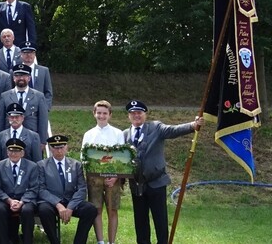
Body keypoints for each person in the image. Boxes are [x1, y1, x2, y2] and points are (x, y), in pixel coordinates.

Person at [123, 100, 203, 244]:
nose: (136, 116)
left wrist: (192, 125)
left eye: (139, 113)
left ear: (145, 114)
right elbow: (119, 160)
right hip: (136, 185)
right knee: (140, 221)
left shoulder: (156, 127)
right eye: (133, 113)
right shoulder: (123, 135)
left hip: (156, 183)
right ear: (129, 116)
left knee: (160, 220)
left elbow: (174, 130)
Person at [37, 134, 96, 244]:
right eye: (55, 147)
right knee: (43, 210)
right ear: (50, 149)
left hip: (70, 201)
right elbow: (41, 189)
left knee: (90, 209)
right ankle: (54, 241)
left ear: (66, 147)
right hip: (52, 203)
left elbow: (82, 188)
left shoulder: (76, 165)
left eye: (61, 147)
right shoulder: (42, 165)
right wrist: (58, 204)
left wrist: (70, 207)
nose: (59, 151)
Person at [82, 100, 126, 244]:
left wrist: (114, 176)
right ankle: (101, 241)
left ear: (110, 115)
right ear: (94, 114)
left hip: (113, 177)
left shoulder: (118, 133)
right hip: (94, 178)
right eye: (99, 113)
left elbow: (122, 157)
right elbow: (85, 157)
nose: (102, 116)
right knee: (97, 209)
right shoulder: (88, 134)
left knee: (112, 209)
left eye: (105, 113)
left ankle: (111, 241)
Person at [0, 138, 39, 244]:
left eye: (17, 151)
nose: (14, 154)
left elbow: (34, 188)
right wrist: (9, 201)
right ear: (7, 152)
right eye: (11, 151)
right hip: (6, 199)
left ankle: (27, 240)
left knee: (27, 210)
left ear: (22, 153)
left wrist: (22, 201)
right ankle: (4, 240)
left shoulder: (32, 166)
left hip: (26, 200)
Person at [0, 64, 49, 144]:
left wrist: (42, 141)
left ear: (29, 78)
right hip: (10, 139)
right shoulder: (5, 96)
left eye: (24, 76)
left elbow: (43, 121)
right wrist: (0, 140)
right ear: (14, 78)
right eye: (18, 76)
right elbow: (0, 120)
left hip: (32, 140)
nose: (21, 78)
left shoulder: (39, 96)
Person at [19, 42, 54, 109]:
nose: (28, 55)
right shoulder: (14, 71)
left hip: (39, 108)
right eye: (25, 52)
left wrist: (45, 108)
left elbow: (48, 92)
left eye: (31, 52)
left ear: (34, 54)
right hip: (20, 110)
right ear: (21, 54)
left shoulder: (44, 71)